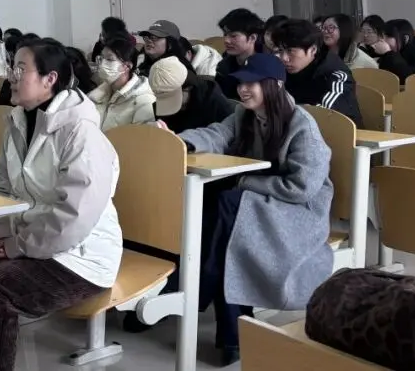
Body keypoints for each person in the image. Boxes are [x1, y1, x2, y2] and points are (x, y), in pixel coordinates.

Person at [0, 38, 122, 371]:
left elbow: (74, 217)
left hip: (81, 256)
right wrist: (2, 238)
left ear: (50, 79)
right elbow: (2, 187)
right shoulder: (18, 122)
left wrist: (18, 246)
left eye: (21, 69)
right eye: (12, 67)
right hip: (33, 243)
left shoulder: (81, 133)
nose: (11, 76)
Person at [170, 53, 334, 364]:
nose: (243, 89)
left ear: (275, 85)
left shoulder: (302, 126)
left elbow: (302, 188)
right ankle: (230, 334)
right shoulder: (244, 114)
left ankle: (194, 287)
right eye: (241, 83)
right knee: (222, 214)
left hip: (297, 212)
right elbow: (217, 134)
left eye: (252, 83)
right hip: (260, 202)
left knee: (227, 204)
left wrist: (246, 182)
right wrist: (182, 142)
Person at [271, 19, 362, 126]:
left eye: (290, 51)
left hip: (340, 131)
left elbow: (325, 113)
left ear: (313, 50)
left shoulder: (336, 74)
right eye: (280, 51)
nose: (284, 58)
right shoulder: (284, 69)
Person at [88, 33, 155, 130]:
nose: (102, 63)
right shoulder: (98, 94)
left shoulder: (144, 102)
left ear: (127, 66)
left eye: (109, 59)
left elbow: (141, 137)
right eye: (101, 58)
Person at [150, 55, 236, 132]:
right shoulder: (159, 105)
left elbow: (227, 136)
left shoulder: (215, 103)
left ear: (188, 88)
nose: (168, 104)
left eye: (171, 99)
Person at [214, 8, 265, 98]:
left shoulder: (267, 67)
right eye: (225, 34)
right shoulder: (223, 67)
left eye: (233, 36)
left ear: (252, 38)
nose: (226, 40)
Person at [369, 18, 415, 83]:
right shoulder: (393, 47)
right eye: (382, 37)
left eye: (387, 37)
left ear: (405, 39)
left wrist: (389, 53)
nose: (383, 41)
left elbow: (409, 78)